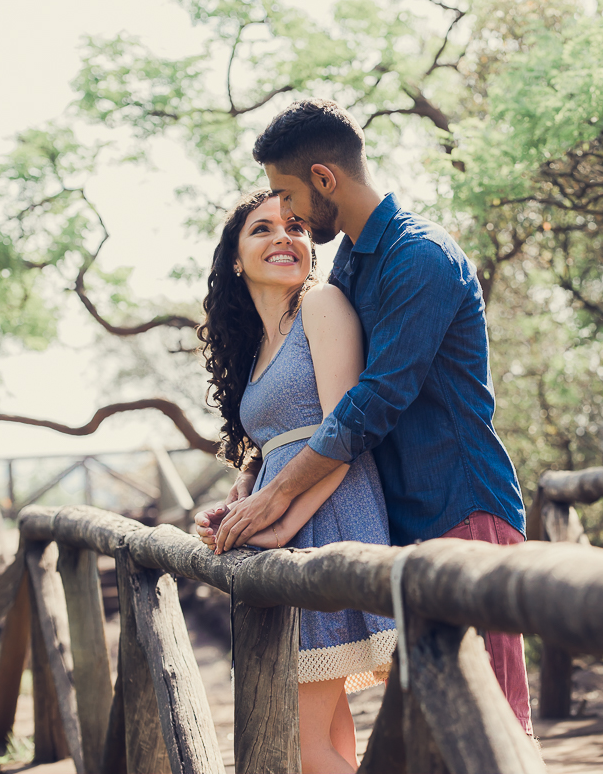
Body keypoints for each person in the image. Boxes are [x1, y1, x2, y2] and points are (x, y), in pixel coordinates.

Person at [196, 98, 533, 734]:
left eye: (286, 196)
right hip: (398, 526)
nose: (287, 215)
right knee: (430, 739)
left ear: (324, 179)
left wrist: (273, 506)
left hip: (461, 512)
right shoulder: (350, 262)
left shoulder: (420, 256)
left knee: (493, 734)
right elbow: (313, 398)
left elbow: (368, 406)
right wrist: (253, 482)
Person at [196, 189, 396, 774]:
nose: (284, 236)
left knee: (301, 743)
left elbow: (343, 431)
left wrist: (278, 518)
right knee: (330, 733)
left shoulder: (322, 303)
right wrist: (248, 485)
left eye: (296, 227)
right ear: (235, 258)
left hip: (330, 515)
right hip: (291, 520)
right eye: (262, 228)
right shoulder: (260, 343)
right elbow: (279, 439)